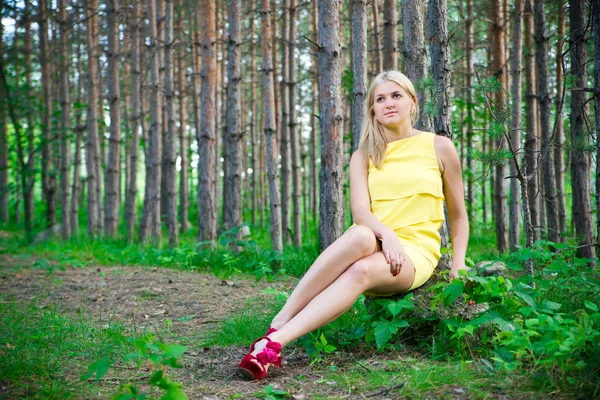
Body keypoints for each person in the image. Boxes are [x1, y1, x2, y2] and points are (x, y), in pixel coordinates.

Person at [238, 70, 469, 380]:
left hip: (416, 251)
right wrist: (387, 234)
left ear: (413, 102)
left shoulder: (440, 147)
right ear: (373, 109)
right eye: (380, 99)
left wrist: (459, 264)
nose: (389, 103)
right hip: (378, 238)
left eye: (396, 96)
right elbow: (361, 212)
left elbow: (458, 215)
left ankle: (274, 344)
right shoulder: (363, 156)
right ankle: (278, 322)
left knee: (361, 270)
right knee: (361, 233)